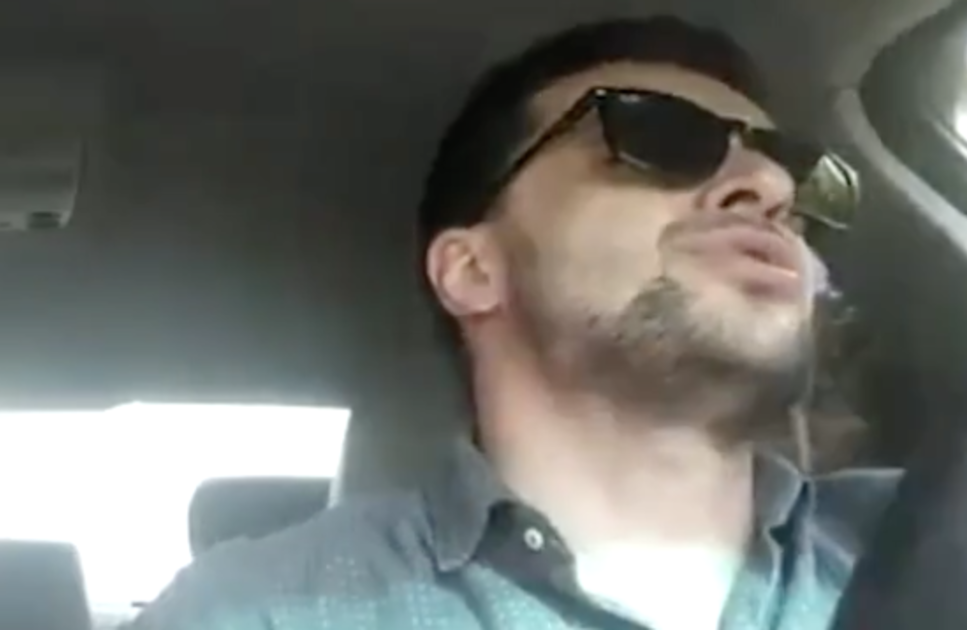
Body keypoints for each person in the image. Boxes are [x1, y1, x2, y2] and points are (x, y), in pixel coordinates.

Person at [131, 16, 900, 630]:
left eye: (793, 171)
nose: (768, 185)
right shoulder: (257, 614)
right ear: (472, 270)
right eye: (659, 137)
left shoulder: (929, 544)